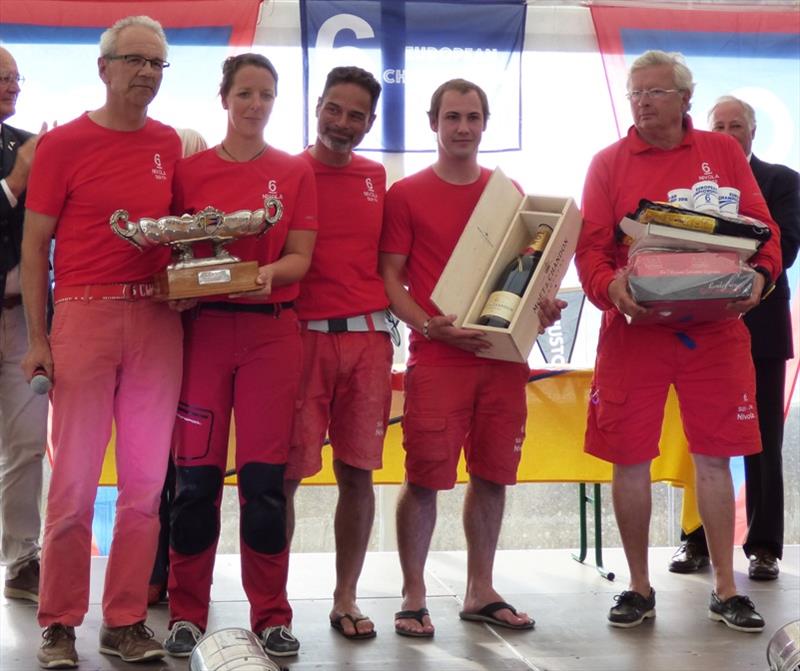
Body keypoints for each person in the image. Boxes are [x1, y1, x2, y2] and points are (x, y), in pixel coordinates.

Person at [575, 51, 781, 633]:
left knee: (715, 459)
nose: (642, 102)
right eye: (635, 93)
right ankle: (638, 587)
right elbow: (590, 248)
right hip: (633, 332)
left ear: (685, 99)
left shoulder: (721, 154)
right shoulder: (607, 163)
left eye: (655, 92)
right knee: (629, 459)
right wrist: (612, 287)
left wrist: (760, 280)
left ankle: (724, 587)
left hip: (714, 334)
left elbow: (763, 232)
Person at [21, 15, 183, 667]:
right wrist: (39, 337)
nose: (146, 73)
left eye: (158, 64)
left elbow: (180, 236)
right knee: (74, 483)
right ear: (104, 66)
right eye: (135, 61)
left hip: (156, 321)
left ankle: (126, 620)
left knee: (145, 483)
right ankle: (58, 622)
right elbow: (35, 246)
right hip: (83, 317)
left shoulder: (171, 143)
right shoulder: (62, 144)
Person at [379, 79, 563, 638]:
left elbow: (525, 275)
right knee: (425, 479)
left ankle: (480, 590)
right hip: (439, 359)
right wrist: (426, 324)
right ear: (433, 123)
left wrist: (541, 309)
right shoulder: (405, 195)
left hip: (503, 361)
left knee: (492, 475)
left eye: (473, 117)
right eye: (452, 117)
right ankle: (413, 594)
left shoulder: (509, 194)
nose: (463, 127)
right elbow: (389, 278)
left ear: (486, 124)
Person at [163, 53, 317, 660]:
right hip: (205, 334)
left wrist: (260, 275)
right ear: (224, 98)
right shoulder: (189, 172)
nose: (255, 105)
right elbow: (174, 253)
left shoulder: (294, 172)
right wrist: (182, 288)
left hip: (271, 337)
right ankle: (185, 613)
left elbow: (300, 258)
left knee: (264, 484)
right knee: (195, 482)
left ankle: (272, 615)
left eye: (266, 95)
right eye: (245, 93)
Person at [669, 95, 800, 581]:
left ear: (753, 131)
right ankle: (696, 542)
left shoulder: (783, 181)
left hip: (761, 327)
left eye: (736, 124)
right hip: (700, 325)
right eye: (718, 124)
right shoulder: (691, 185)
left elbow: (782, 247)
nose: (727, 132)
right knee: (702, 439)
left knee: (763, 437)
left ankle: (764, 547)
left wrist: (721, 262)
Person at [285, 66, 390, 641]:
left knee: (359, 474)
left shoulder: (376, 178)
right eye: (334, 109)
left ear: (370, 122)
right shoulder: (286, 172)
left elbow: (397, 265)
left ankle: (345, 595)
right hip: (302, 340)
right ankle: (272, 603)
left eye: (356, 115)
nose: (343, 123)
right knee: (287, 476)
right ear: (317, 106)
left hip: (370, 342)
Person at [147, 127, 209, 608]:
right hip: (155, 353)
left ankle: (183, 572)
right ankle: (153, 571)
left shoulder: (212, 221)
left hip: (202, 354)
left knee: (189, 475)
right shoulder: (154, 224)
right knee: (154, 473)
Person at [0, 47, 48, 605]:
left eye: (15, 78)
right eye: (1, 78)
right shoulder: (24, 157)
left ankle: (21, 560)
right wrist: (18, 179)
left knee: (28, 444)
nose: (11, 86)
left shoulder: (25, 143)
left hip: (24, 318)